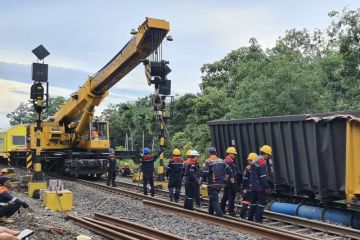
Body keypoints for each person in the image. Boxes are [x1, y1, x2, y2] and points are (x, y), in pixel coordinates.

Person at [200, 147, 233, 217]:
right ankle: (210, 213)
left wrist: (200, 181)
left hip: (212, 184)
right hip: (220, 184)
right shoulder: (222, 161)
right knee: (212, 198)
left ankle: (220, 216)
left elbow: (205, 173)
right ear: (216, 153)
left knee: (214, 200)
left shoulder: (208, 161)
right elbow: (230, 171)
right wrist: (225, 179)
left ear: (209, 153)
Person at [247, 145, 272, 223]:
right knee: (261, 203)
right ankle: (259, 219)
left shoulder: (254, 160)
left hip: (253, 186)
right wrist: (267, 187)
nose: (268, 157)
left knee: (253, 203)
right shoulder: (262, 161)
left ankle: (250, 218)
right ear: (265, 154)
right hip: (260, 186)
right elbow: (263, 176)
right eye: (268, 155)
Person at [220, 147, 238, 217]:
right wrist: (233, 183)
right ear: (230, 154)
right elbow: (230, 173)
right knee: (231, 197)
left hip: (226, 182)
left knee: (225, 196)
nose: (235, 155)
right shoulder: (229, 162)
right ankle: (231, 212)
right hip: (230, 182)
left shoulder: (225, 161)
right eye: (234, 154)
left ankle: (222, 209)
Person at [240, 152, 257, 219]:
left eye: (250, 160)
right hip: (255, 188)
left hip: (248, 188)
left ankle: (242, 214)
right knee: (253, 203)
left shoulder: (248, 168)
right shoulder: (258, 168)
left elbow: (245, 179)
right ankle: (252, 216)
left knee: (246, 201)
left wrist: (242, 187)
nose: (249, 161)